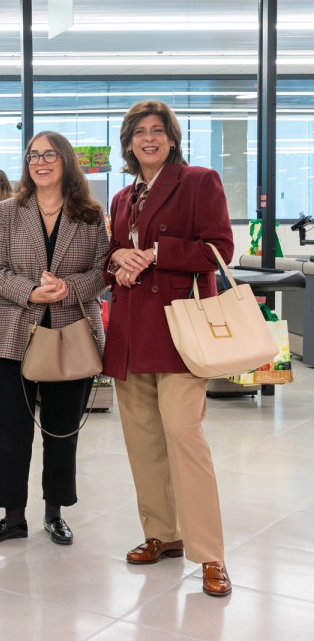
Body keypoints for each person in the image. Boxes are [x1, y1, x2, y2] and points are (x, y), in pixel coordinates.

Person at [103, 100, 234, 597]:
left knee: (185, 437)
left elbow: (219, 248)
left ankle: (211, 554)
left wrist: (156, 254)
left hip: (180, 330)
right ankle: (162, 533)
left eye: (158, 131)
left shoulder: (199, 181)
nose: (149, 139)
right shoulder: (121, 198)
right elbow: (107, 268)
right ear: (129, 142)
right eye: (139, 132)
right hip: (131, 335)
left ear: (173, 138)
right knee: (143, 442)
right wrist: (118, 257)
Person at [0, 132, 108, 547]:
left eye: (50, 155)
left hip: (71, 333)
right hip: (13, 333)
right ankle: (12, 516)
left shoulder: (89, 214)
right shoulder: (10, 211)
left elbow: (103, 271)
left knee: (61, 430)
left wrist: (68, 287)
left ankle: (55, 512)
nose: (42, 162)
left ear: (66, 161)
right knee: (11, 432)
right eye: (34, 155)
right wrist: (30, 291)